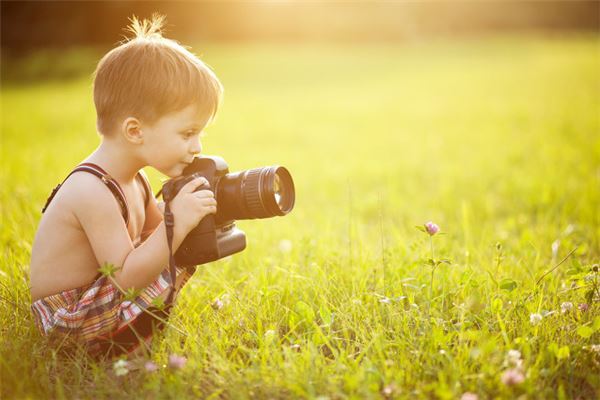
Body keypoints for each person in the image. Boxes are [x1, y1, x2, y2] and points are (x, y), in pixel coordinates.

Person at [29, 14, 222, 360]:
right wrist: (175, 221)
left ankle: (131, 336)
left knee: (172, 248)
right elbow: (128, 278)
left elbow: (155, 242)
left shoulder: (137, 180)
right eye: (187, 133)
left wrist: (195, 217)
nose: (198, 147)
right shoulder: (91, 191)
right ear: (135, 131)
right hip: (70, 316)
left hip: (101, 294)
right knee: (167, 243)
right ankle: (114, 346)